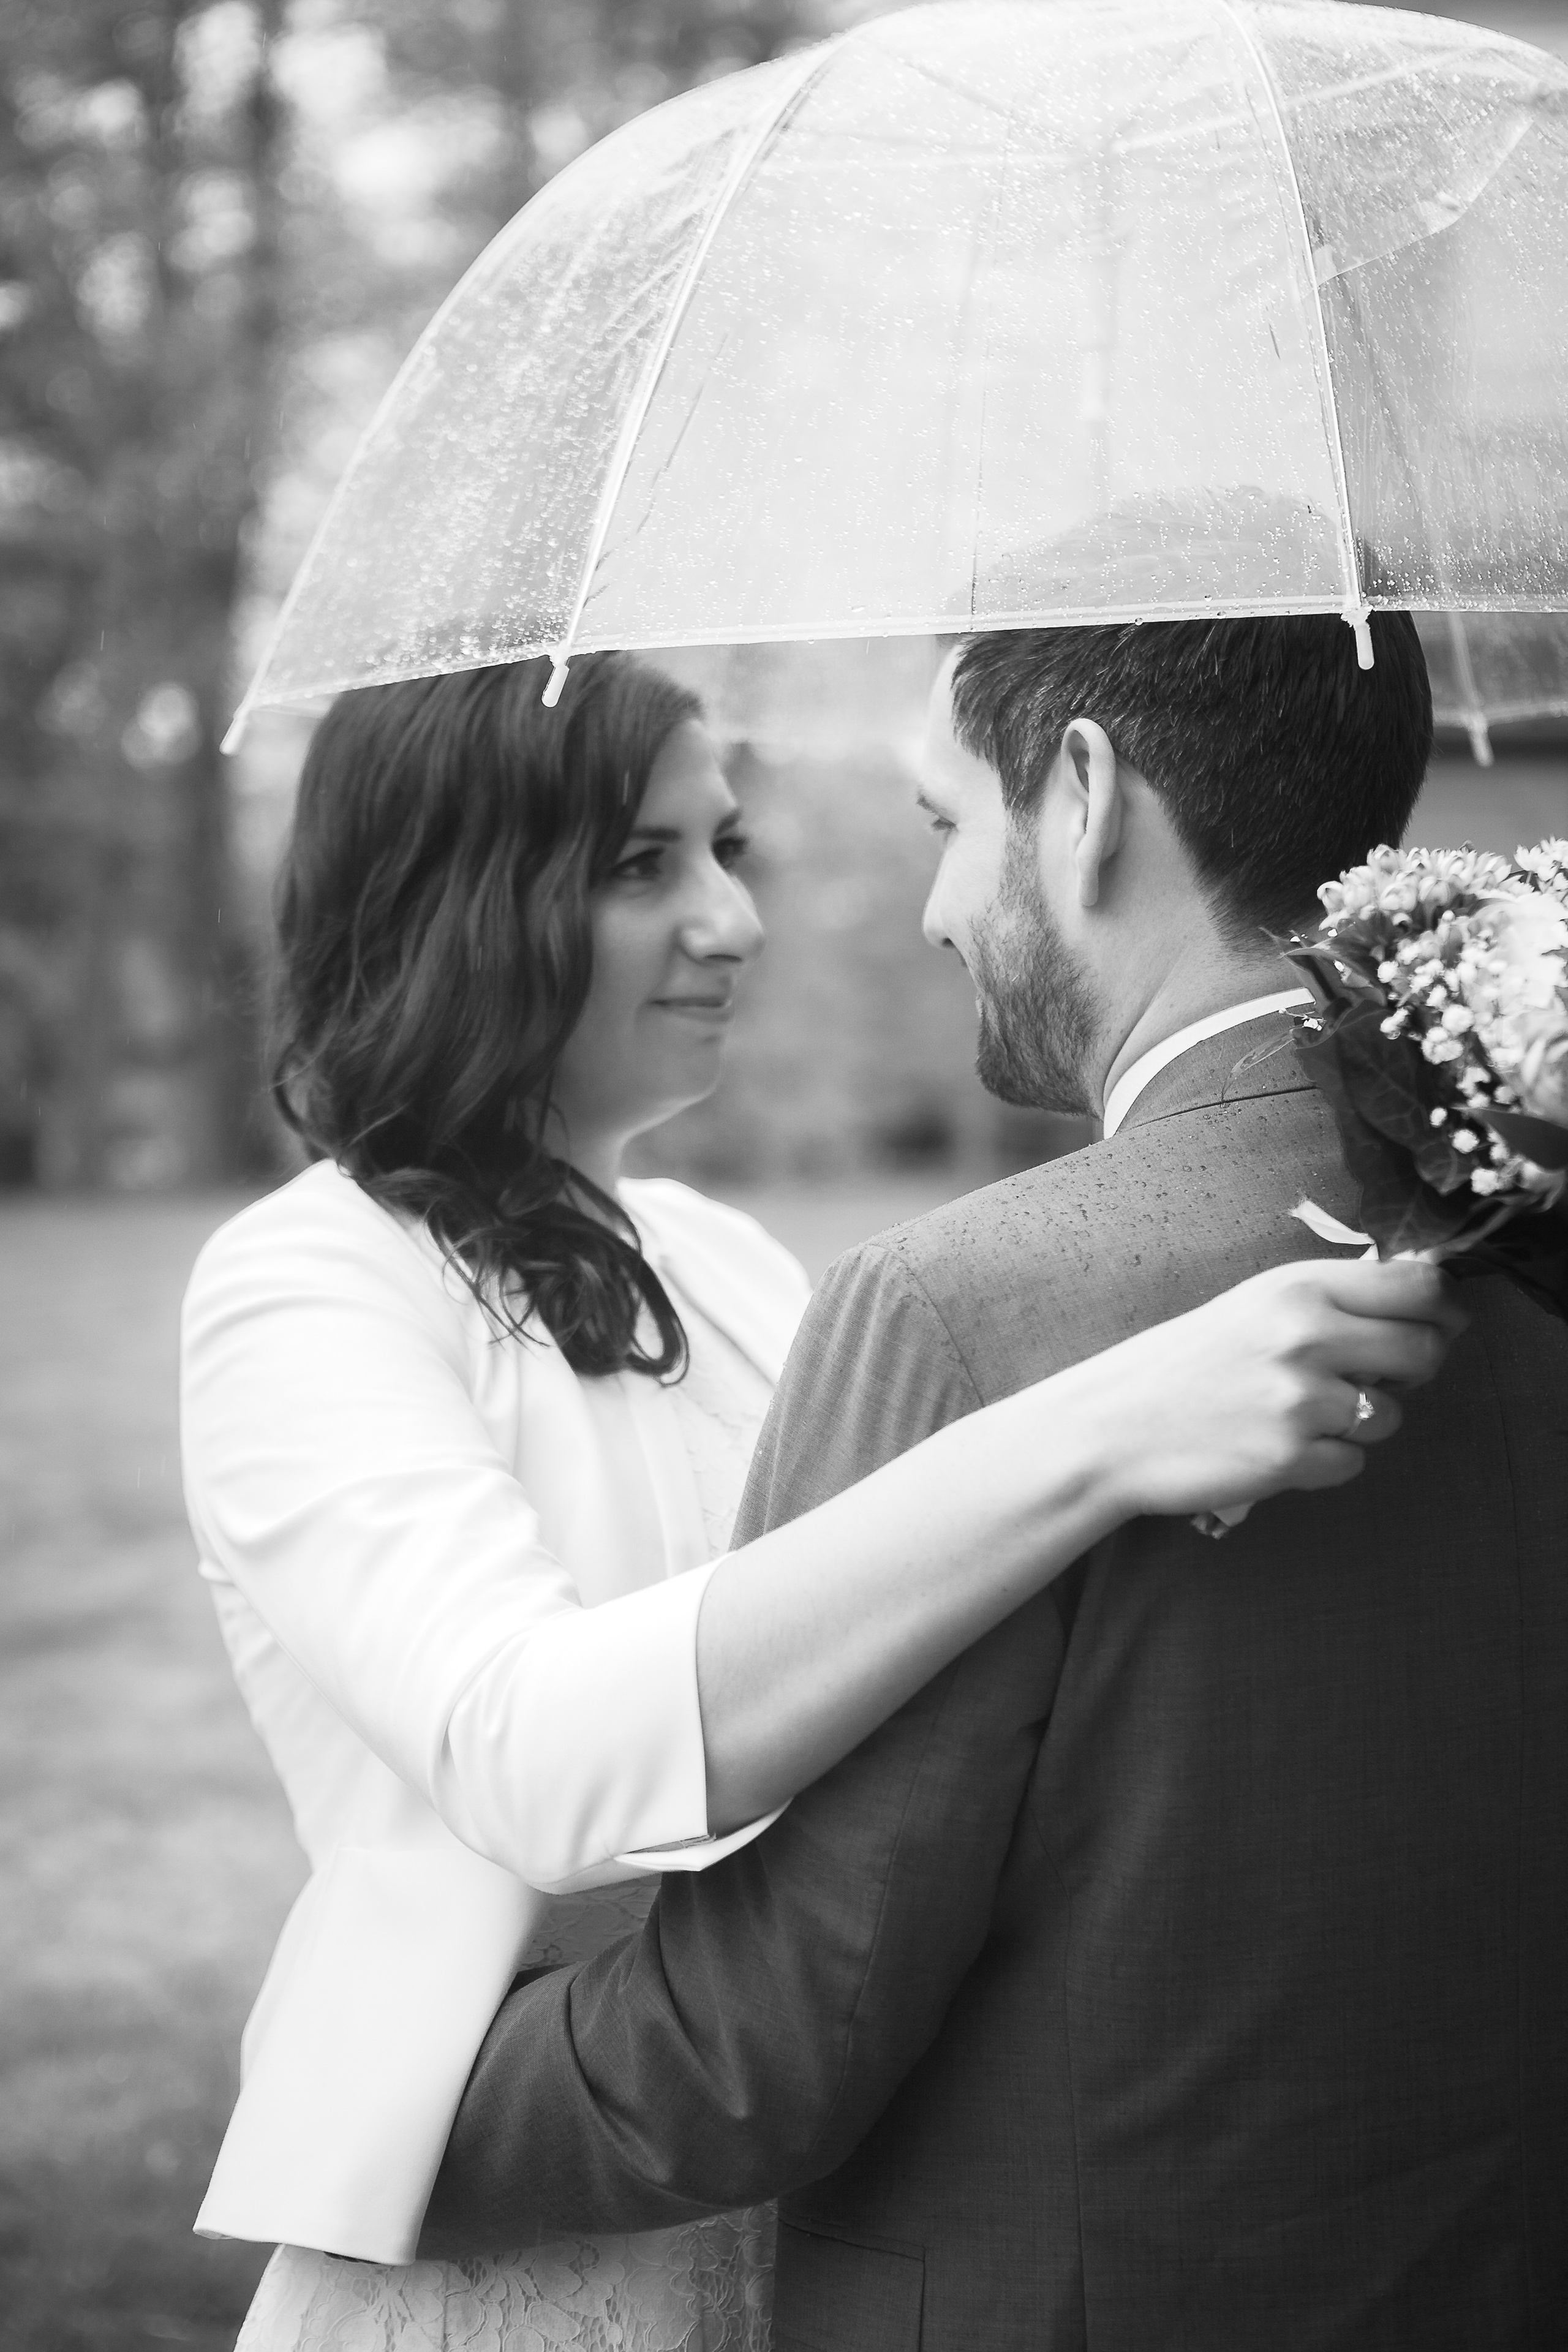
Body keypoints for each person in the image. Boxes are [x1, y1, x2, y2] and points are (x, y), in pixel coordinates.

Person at [187, 646, 1461, 2352]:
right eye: (644, 865)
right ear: (454, 895)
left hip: (825, 2176)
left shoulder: (722, 1261)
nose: (732, 921)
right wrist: (1099, 1429)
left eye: (728, 852)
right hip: (538, 2209)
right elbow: (531, 1752)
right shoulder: (304, 1283)